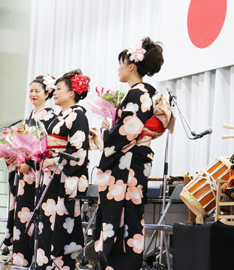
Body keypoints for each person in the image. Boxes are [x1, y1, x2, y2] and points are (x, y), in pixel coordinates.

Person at [94, 37, 164, 270]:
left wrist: (107, 134)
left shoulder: (138, 93)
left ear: (131, 66)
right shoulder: (139, 93)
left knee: (125, 218)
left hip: (128, 164)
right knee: (125, 217)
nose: (118, 68)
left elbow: (128, 130)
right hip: (130, 161)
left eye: (121, 63)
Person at [39, 69, 90, 269]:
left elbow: (78, 151)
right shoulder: (60, 116)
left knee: (60, 225)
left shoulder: (78, 116)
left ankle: (61, 265)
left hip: (63, 177)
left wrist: (55, 160)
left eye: (59, 88)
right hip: (51, 175)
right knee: (46, 222)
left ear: (71, 93)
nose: (55, 92)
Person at [3, 75, 56, 267]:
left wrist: (31, 164)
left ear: (47, 93)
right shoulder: (28, 118)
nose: (33, 94)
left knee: (36, 219)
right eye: (31, 90)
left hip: (39, 176)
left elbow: (49, 149)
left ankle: (36, 261)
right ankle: (20, 261)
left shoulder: (50, 117)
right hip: (24, 175)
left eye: (37, 91)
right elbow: (22, 146)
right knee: (22, 217)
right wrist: (13, 157)